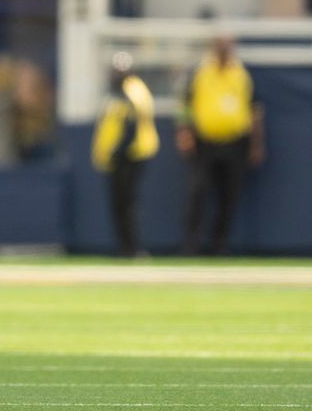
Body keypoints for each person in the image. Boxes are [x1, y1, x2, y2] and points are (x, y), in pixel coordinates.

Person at [176, 36, 265, 255]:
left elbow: (255, 111)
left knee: (229, 196)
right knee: (198, 193)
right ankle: (191, 245)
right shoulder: (201, 73)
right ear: (213, 49)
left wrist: (256, 144)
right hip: (205, 142)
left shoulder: (241, 75)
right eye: (220, 47)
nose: (224, 51)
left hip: (235, 142)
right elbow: (186, 104)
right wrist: (184, 132)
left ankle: (220, 245)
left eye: (228, 47)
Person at [91, 52, 159, 257]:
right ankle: (124, 247)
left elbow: (132, 126)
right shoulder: (116, 92)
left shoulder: (133, 91)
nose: (116, 74)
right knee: (120, 203)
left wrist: (118, 150)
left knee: (127, 202)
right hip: (120, 156)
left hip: (131, 155)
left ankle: (132, 248)